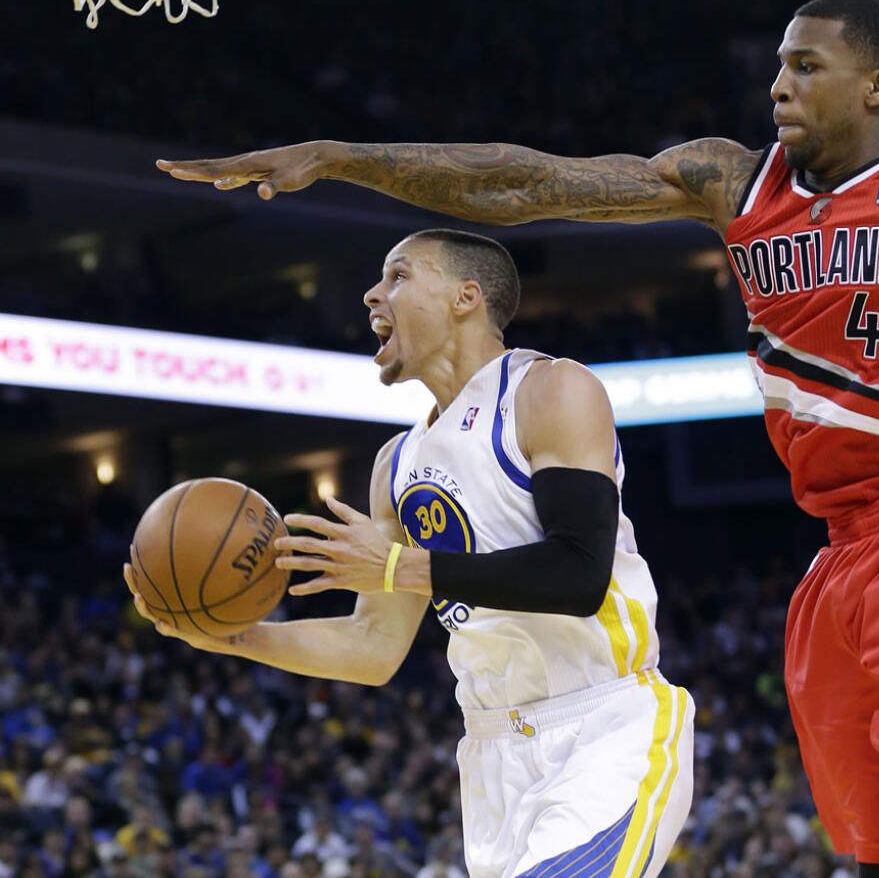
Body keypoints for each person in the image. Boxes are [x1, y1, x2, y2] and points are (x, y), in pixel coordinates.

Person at [155, 0, 879, 875]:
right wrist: (340, 155)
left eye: (804, 67)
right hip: (838, 554)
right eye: (775, 66)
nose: (776, 86)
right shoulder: (732, 180)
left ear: (877, 87)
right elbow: (522, 181)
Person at [124, 229, 695, 878]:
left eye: (398, 275)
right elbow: (373, 647)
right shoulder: (394, 465)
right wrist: (231, 638)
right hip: (490, 760)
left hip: (606, 732)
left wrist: (398, 566)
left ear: (465, 297)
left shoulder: (550, 392)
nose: (372, 293)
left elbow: (579, 575)